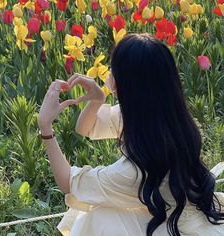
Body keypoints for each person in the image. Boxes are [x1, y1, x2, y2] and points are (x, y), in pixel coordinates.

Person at [38, 33, 224, 236]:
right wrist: (97, 99)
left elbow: (69, 184)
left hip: (176, 226)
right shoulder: (166, 118)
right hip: (178, 212)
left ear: (119, 84)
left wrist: (45, 127)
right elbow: (85, 129)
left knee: (99, 216)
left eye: (112, 70)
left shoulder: (131, 172)